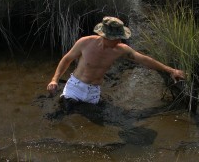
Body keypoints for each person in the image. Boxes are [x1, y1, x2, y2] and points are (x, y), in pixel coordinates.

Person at [47, 16, 185, 106]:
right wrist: (54, 79)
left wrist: (171, 70)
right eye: (116, 38)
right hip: (75, 87)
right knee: (67, 113)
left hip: (93, 91)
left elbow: (144, 60)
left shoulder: (121, 49)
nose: (119, 40)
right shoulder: (85, 43)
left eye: (120, 37)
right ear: (104, 36)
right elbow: (66, 60)